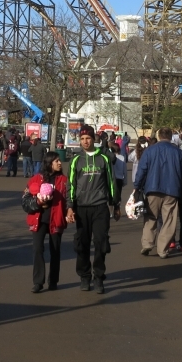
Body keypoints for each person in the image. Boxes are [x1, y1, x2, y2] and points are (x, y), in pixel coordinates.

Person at [67, 125, 120, 293]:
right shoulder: (76, 160)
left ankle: (98, 277)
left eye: (88, 138)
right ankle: (84, 276)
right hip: (82, 208)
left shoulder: (103, 159)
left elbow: (112, 182)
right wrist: (70, 207)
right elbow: (71, 186)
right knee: (82, 244)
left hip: (100, 207)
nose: (85, 141)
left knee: (100, 242)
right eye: (82, 139)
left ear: (93, 139)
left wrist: (115, 204)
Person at [134, 127, 182, 259]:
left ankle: (147, 244)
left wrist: (137, 187)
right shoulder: (177, 152)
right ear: (171, 137)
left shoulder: (149, 150)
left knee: (150, 217)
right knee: (169, 220)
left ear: (159, 136)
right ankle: (162, 249)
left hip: (152, 188)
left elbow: (142, 170)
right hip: (172, 190)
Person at [26, 151, 69, 292]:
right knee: (37, 249)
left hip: (56, 220)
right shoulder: (36, 179)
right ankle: (38, 282)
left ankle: (53, 281)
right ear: (49, 163)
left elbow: (68, 198)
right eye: (56, 161)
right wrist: (38, 202)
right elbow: (25, 198)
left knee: (55, 250)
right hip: (39, 219)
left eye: (59, 161)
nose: (59, 163)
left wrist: (69, 211)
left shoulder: (64, 180)